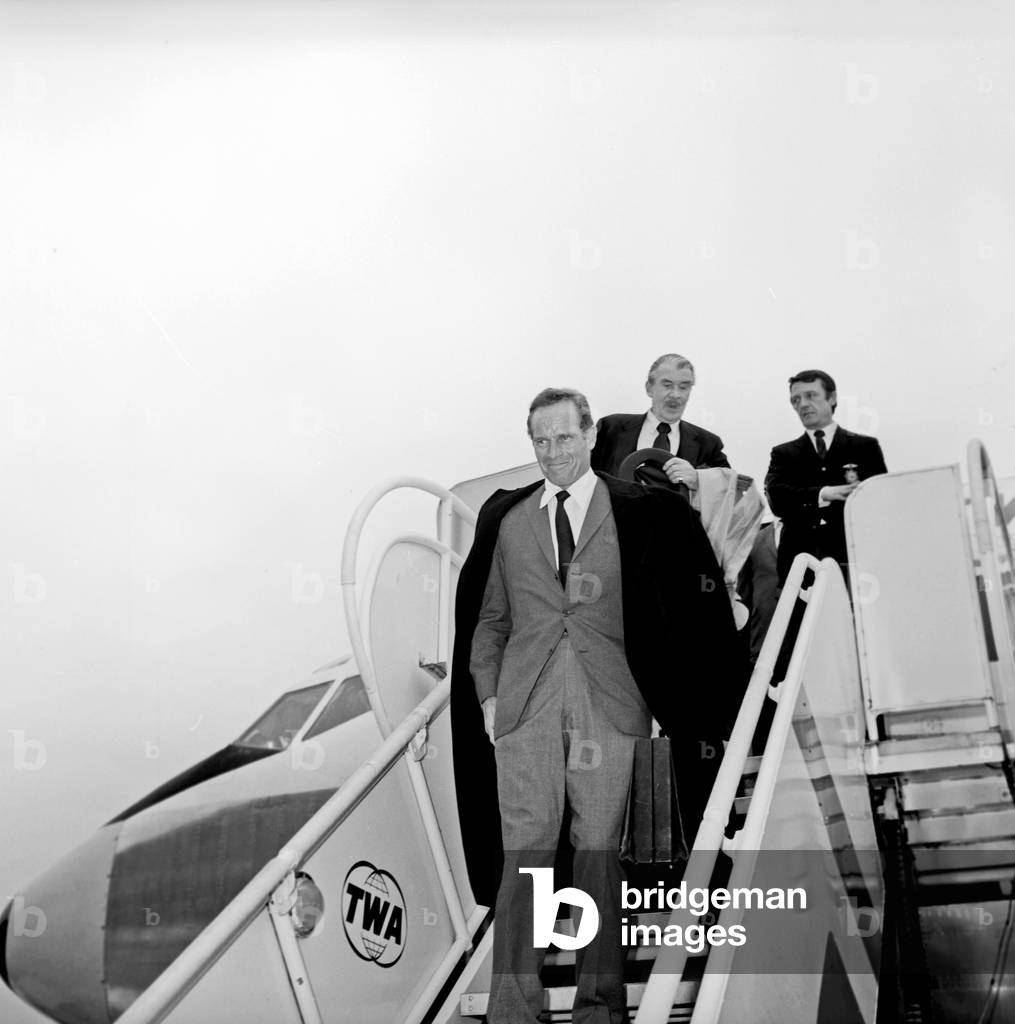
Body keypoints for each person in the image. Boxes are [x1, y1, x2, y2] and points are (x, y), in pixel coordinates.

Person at [449, 387, 742, 1024]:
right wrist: (490, 696)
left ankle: (600, 1007)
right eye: (540, 441)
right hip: (525, 707)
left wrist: (672, 696)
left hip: (612, 701)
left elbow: (682, 608)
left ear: (589, 435)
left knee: (597, 853)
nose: (552, 452)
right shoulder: (509, 520)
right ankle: (511, 1009)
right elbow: (490, 622)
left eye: (563, 437)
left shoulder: (639, 509)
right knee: (523, 853)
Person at [765, 369, 887, 586]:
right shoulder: (783, 453)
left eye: (811, 395)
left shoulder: (864, 447)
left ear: (831, 398)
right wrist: (824, 493)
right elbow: (777, 499)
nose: (802, 404)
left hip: (854, 563)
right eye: (795, 399)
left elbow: (879, 502)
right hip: (800, 568)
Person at [590, 353, 729, 495]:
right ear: (649, 388)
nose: (676, 395)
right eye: (667, 385)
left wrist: (699, 480)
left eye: (683, 387)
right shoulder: (611, 428)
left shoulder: (708, 444)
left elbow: (731, 492)